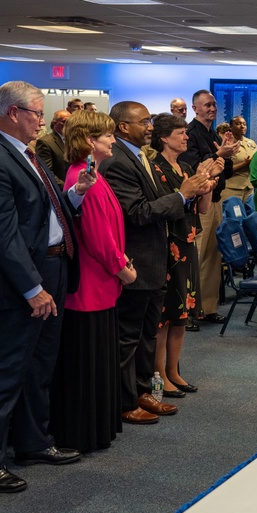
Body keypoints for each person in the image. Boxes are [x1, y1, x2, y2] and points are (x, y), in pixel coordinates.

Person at [0, 81, 96, 493]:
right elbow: (3, 237)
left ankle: (33, 441)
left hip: (50, 271)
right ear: (12, 113)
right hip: (20, 284)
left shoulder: (25, 153)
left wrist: (75, 194)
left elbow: (43, 213)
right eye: (37, 112)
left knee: (39, 366)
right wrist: (32, 288)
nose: (43, 119)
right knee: (5, 374)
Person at [101, 101, 211, 425]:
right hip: (138, 258)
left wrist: (187, 193)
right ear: (123, 127)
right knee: (130, 337)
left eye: (150, 121)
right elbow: (137, 213)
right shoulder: (118, 161)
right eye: (144, 121)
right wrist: (181, 196)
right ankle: (125, 402)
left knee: (148, 333)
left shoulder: (139, 157)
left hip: (156, 258)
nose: (150, 127)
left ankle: (142, 390)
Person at [50, 110, 135, 454]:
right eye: (107, 135)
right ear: (89, 141)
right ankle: (84, 431)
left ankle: (97, 428)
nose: (113, 140)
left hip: (98, 283)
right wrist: (122, 268)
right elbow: (97, 237)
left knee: (97, 360)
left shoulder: (93, 174)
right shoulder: (81, 176)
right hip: (90, 285)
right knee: (87, 363)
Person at [150, 114, 217, 397]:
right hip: (167, 243)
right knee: (164, 314)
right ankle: (159, 373)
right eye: (180, 133)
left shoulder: (187, 166)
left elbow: (202, 209)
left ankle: (174, 370)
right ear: (164, 137)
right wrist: (188, 190)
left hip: (187, 240)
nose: (186, 137)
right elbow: (168, 204)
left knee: (181, 312)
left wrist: (208, 184)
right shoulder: (156, 167)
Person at [180, 90, 237, 325]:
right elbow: (193, 167)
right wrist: (218, 153)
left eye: (214, 104)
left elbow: (227, 171)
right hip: (198, 203)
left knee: (214, 257)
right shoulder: (190, 134)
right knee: (197, 256)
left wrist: (228, 155)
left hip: (216, 199)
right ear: (195, 108)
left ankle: (208, 308)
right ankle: (191, 312)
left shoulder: (214, 133)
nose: (212, 108)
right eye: (207, 105)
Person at [220, 116, 257, 203]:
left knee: (249, 215)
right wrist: (244, 163)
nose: (242, 126)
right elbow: (222, 169)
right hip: (232, 188)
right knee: (232, 215)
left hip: (249, 188)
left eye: (244, 124)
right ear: (231, 127)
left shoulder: (251, 143)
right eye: (238, 124)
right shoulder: (226, 144)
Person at [35, 109, 71, 187]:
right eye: (64, 122)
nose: (69, 125)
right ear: (55, 123)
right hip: (61, 190)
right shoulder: (45, 142)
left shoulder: (73, 140)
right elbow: (46, 172)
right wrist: (65, 187)